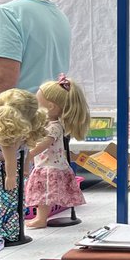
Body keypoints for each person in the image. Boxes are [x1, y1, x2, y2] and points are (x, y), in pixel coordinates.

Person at [25, 76, 90, 228]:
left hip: (49, 167)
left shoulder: (54, 127)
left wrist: (30, 154)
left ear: (51, 107)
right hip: (47, 164)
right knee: (42, 195)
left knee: (43, 195)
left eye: (38, 104)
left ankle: (41, 219)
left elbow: (44, 144)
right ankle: (40, 218)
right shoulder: (49, 124)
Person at [0, 88, 47, 242]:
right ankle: (10, 231)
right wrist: (21, 171)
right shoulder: (17, 133)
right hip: (8, 169)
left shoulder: (10, 134)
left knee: (5, 202)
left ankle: (8, 232)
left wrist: (13, 175)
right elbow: (21, 154)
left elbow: (13, 157)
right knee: (10, 201)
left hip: (5, 170)